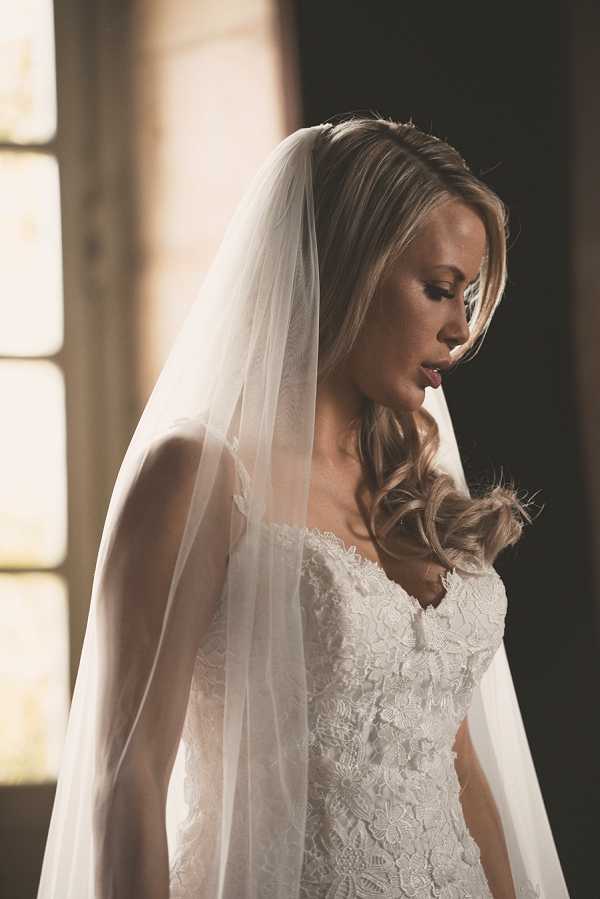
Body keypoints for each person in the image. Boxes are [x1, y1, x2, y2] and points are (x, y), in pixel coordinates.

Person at [36, 116, 570, 898]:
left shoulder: (415, 487)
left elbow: (455, 761)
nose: (459, 330)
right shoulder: (197, 476)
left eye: (469, 298)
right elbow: (131, 781)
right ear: (351, 264)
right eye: (438, 289)